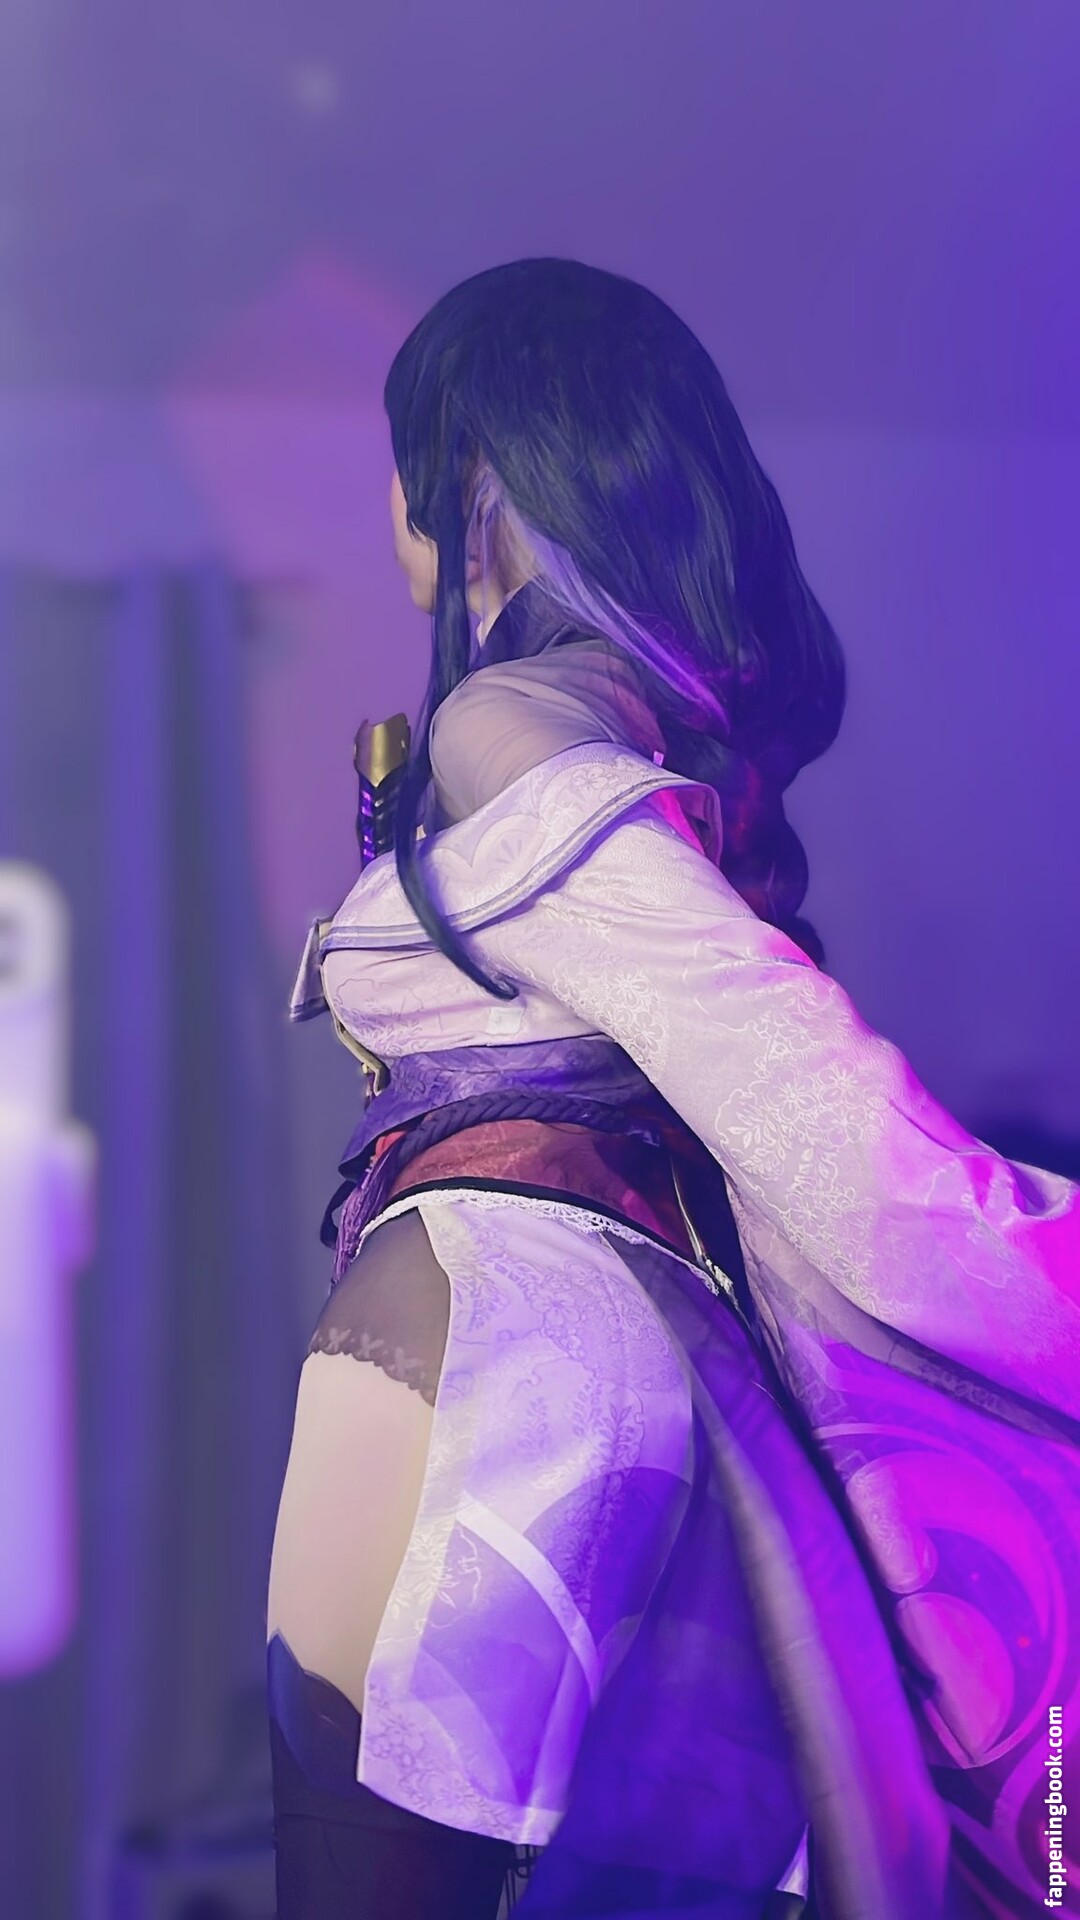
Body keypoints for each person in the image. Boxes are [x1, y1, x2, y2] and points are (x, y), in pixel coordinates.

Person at [266, 258, 1080, 1920]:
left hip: (479, 1336)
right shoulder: (628, 730)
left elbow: (825, 1121)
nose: (395, 525)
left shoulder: (507, 724)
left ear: (476, 490)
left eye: (412, 474)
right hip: (632, 1355)